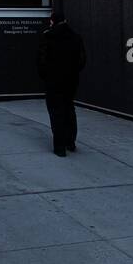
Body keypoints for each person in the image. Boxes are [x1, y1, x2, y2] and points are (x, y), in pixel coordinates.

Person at [37, 11, 86, 157]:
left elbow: (41, 60)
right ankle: (70, 142)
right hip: (71, 80)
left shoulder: (48, 36)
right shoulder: (76, 37)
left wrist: (46, 75)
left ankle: (59, 147)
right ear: (65, 20)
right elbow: (82, 60)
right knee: (69, 108)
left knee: (56, 112)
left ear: (52, 22)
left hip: (53, 80)